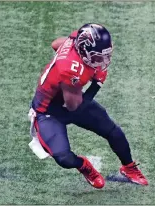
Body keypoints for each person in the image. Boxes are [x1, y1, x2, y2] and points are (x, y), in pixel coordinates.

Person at [29, 23, 148, 189]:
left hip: (70, 97)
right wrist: (97, 82)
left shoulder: (78, 40)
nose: (104, 60)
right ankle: (83, 165)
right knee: (64, 158)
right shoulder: (71, 70)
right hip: (49, 110)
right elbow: (74, 106)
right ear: (84, 52)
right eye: (98, 56)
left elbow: (56, 43)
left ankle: (129, 168)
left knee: (112, 131)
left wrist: (66, 55)